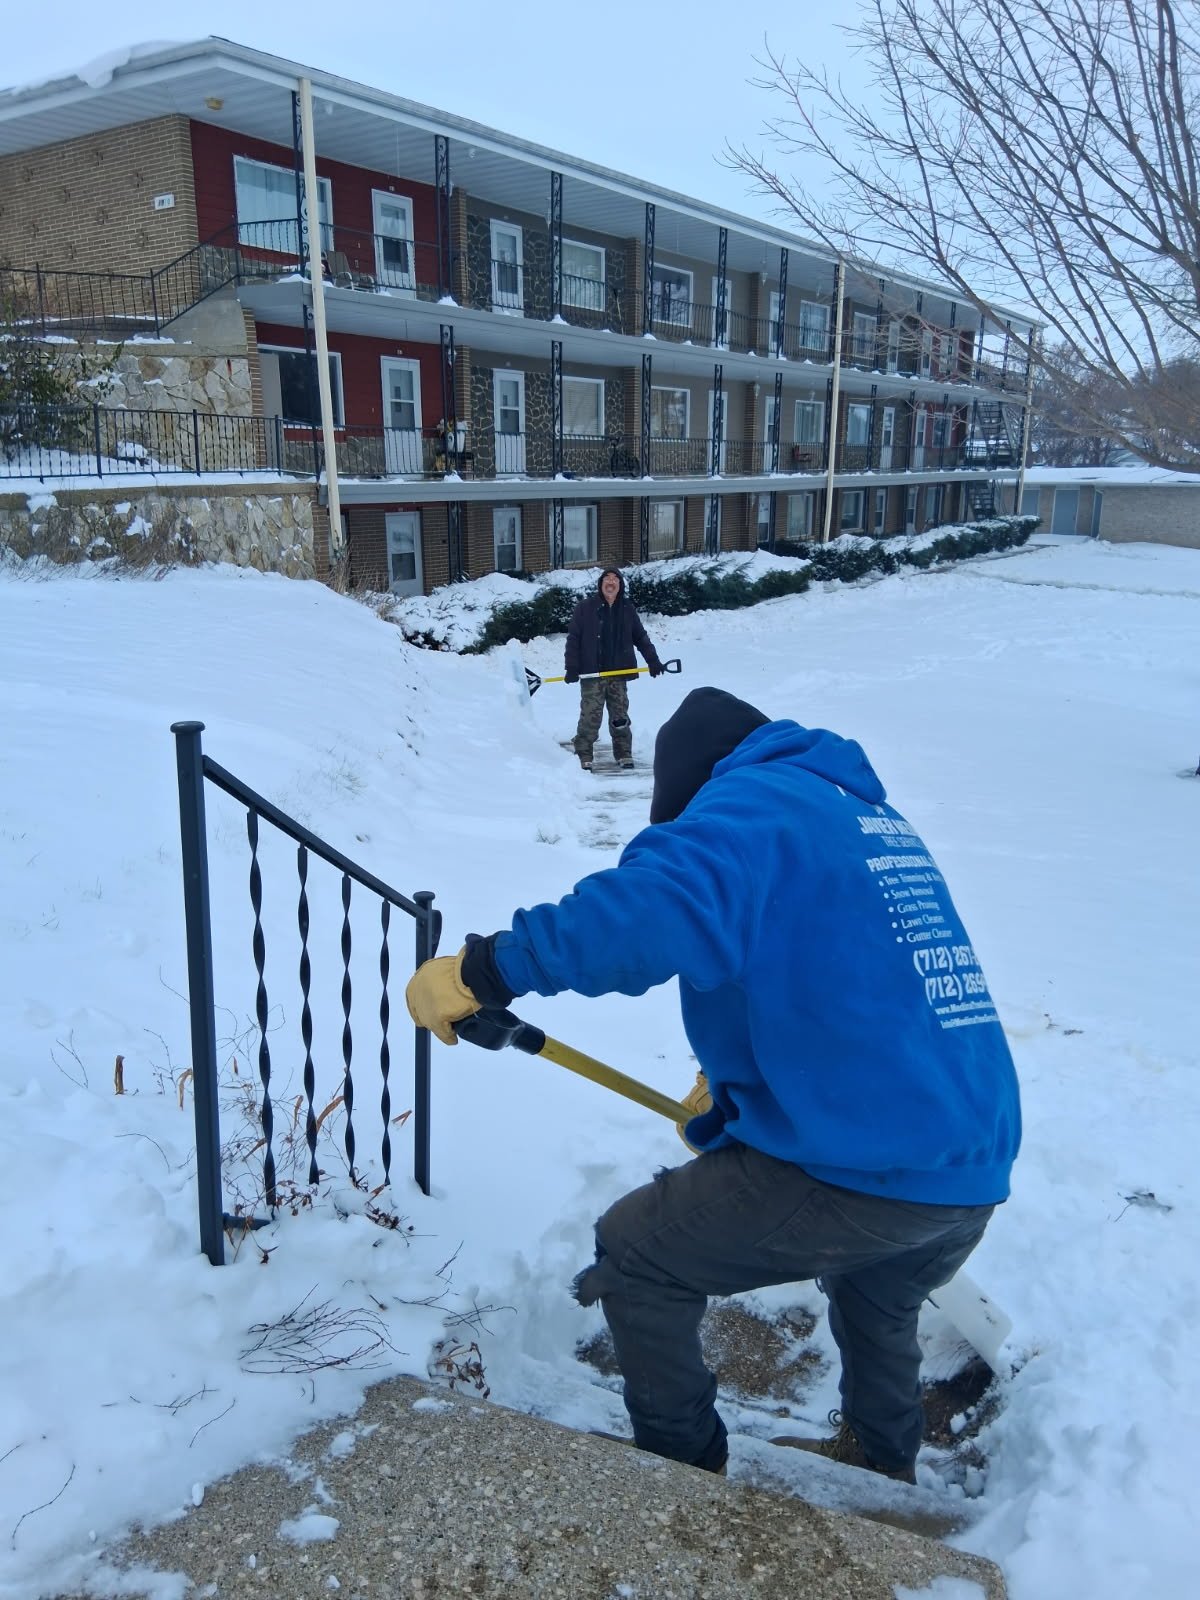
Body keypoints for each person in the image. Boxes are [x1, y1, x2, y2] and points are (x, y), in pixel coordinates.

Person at [406, 686, 1021, 1484]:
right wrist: (743, 1091)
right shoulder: (853, 813)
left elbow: (648, 911)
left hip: (869, 1167)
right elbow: (848, 976)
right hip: (969, 1162)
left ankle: (685, 1475)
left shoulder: (749, 806)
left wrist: (485, 970)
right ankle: (878, 1465)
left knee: (637, 1253)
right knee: (878, 1295)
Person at [565, 568, 663, 770]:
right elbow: (573, 639)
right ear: (601, 584)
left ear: (620, 585)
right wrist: (572, 667)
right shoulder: (585, 608)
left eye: (615, 579)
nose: (611, 582)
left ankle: (624, 753)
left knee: (620, 717)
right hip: (592, 673)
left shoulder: (627, 609)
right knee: (590, 718)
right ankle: (584, 753)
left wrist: (653, 660)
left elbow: (640, 637)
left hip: (618, 673)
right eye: (607, 579)